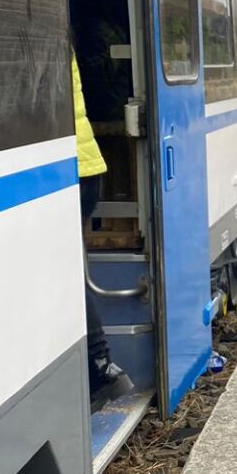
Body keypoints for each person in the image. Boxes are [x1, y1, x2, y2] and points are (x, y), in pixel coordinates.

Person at [73, 52, 135, 409]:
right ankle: (101, 365)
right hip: (84, 165)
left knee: (61, 270)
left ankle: (101, 365)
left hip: (72, 168)